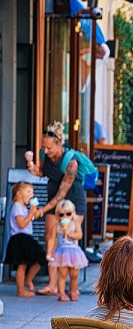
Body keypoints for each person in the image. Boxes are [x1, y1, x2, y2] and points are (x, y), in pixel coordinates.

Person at [24, 122, 86, 296]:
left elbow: (61, 194)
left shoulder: (71, 162)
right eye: (44, 147)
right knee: (51, 237)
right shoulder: (45, 155)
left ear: (59, 143)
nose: (46, 151)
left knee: (71, 239)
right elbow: (44, 173)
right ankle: (52, 284)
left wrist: (42, 210)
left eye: (49, 148)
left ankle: (73, 286)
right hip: (53, 200)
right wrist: (34, 169)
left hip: (72, 200)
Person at [5, 182, 45, 297]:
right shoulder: (17, 206)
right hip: (20, 237)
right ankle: (20, 290)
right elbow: (21, 224)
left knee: (38, 259)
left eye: (32, 192)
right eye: (28, 192)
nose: (31, 195)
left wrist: (35, 212)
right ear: (19, 194)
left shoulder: (23, 207)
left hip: (26, 237)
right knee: (21, 265)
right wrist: (31, 213)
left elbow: (30, 218)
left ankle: (28, 280)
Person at [47, 200, 87, 302]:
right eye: (61, 214)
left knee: (74, 274)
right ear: (57, 215)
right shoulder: (56, 226)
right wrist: (49, 252)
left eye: (68, 214)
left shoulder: (75, 224)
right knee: (62, 274)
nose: (65, 217)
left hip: (74, 252)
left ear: (73, 213)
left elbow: (79, 235)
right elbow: (51, 239)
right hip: (62, 252)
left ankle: (73, 291)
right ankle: (61, 293)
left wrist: (69, 234)